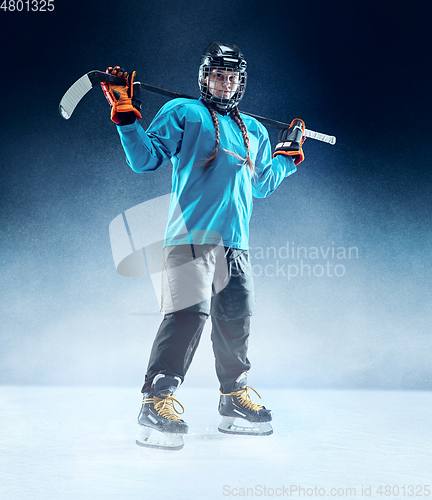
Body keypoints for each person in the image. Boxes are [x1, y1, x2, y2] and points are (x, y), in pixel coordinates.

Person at [102, 42, 305, 450]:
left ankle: (233, 398)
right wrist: (126, 118)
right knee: (187, 315)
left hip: (236, 245)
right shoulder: (185, 113)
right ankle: (156, 400)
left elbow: (260, 184)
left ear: (240, 83)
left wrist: (286, 158)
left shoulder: (257, 131)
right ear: (204, 78)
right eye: (218, 76)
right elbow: (145, 160)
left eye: (232, 78)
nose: (225, 84)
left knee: (236, 320)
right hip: (190, 239)